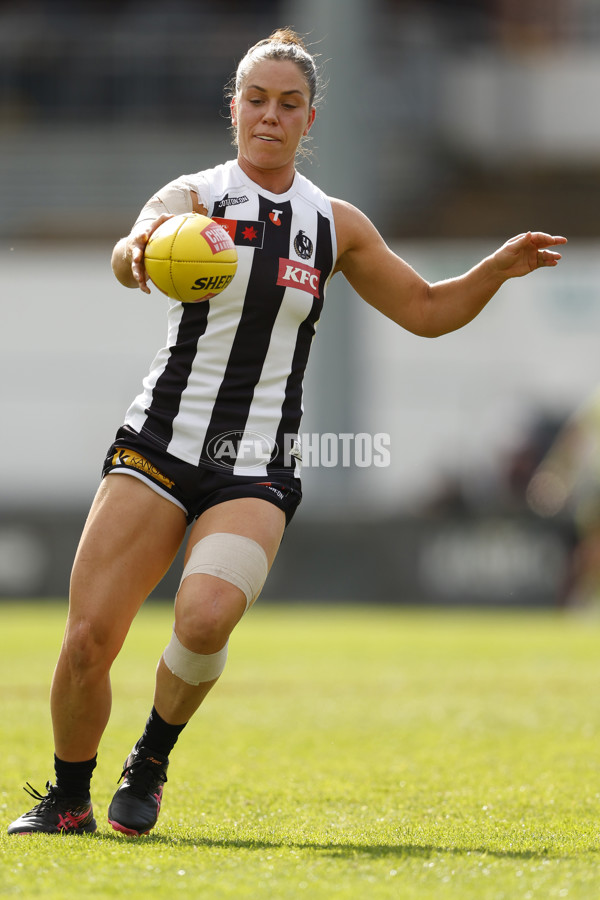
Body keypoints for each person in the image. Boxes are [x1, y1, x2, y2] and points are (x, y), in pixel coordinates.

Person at [7, 27, 566, 836]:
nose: (270, 116)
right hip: (158, 445)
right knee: (90, 637)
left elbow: (427, 310)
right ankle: (66, 798)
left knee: (202, 619)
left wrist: (492, 271)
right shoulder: (194, 198)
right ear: (233, 108)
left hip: (256, 463)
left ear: (312, 119)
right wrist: (137, 253)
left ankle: (151, 758)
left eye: (289, 104)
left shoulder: (333, 224)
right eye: (257, 100)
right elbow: (133, 249)